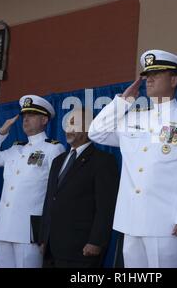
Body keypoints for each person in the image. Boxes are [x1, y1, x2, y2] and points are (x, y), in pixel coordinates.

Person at [88, 49, 177, 268]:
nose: (150, 79)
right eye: (147, 75)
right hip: (131, 219)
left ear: (174, 80)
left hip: (166, 220)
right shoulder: (134, 117)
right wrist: (123, 102)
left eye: (157, 73)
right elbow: (95, 132)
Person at [0, 95, 65, 268]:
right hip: (5, 225)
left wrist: (48, 231)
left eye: (31, 115)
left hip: (30, 228)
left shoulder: (53, 148)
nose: (25, 119)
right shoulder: (15, 149)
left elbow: (58, 191)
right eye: (24, 115)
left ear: (44, 119)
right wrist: (1, 133)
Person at [39, 107, 119, 268]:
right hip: (52, 249)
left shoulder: (103, 161)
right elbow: (50, 201)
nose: (69, 128)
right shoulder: (58, 161)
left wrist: (96, 241)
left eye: (74, 123)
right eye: (68, 124)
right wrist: (43, 238)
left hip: (82, 250)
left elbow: (106, 207)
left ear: (89, 127)